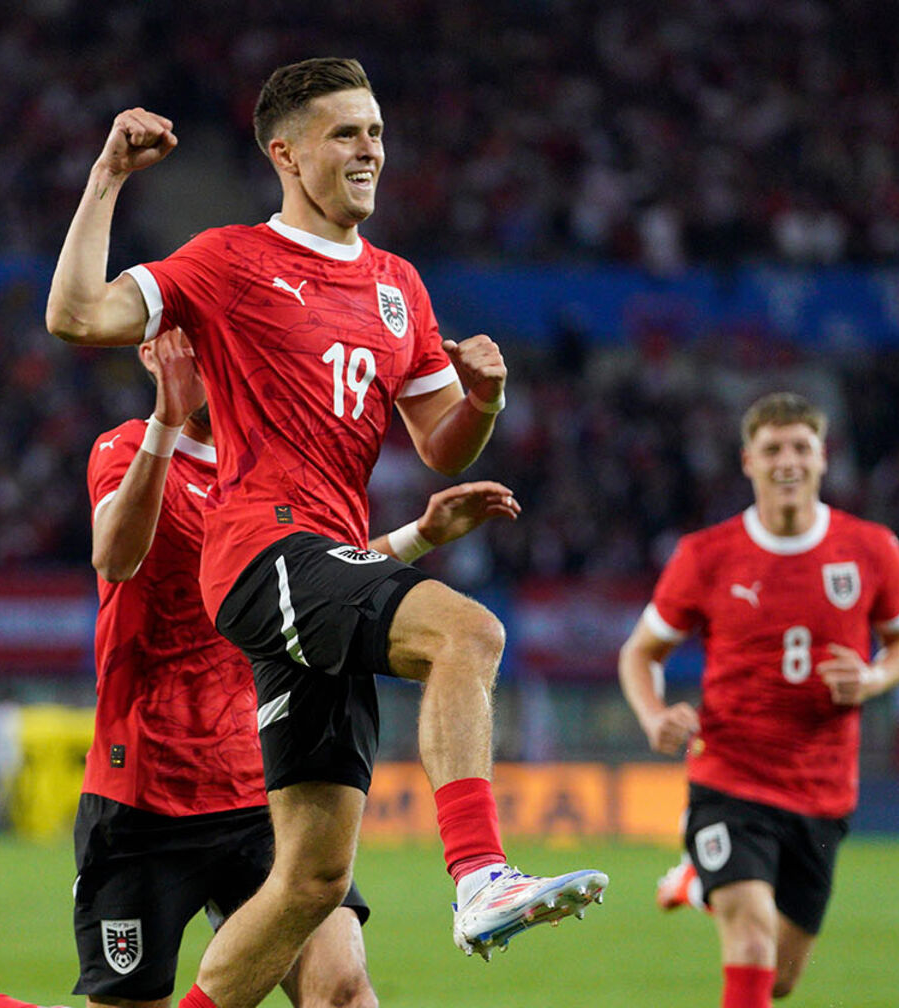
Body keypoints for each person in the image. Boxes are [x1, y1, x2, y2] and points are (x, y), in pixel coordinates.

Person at [38, 56, 606, 1008]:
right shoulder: (226, 260)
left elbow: (438, 443)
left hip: (325, 561)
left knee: (312, 883)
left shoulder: (397, 287)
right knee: (470, 633)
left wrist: (489, 399)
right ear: (286, 154)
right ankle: (479, 876)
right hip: (264, 548)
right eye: (347, 133)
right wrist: (106, 177)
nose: (370, 150)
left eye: (377, 132)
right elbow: (75, 315)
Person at [0, 328, 524, 1008]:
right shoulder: (124, 448)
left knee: (343, 994)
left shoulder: (273, 465)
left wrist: (418, 536)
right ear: (154, 356)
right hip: (147, 794)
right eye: (194, 343)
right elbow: (115, 558)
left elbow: (302, 584)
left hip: (262, 786)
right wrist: (165, 418)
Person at [617, 392, 899, 1008]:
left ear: (822, 458)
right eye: (773, 449)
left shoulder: (872, 549)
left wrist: (870, 680)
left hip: (823, 789)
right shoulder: (705, 556)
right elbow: (638, 653)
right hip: (730, 777)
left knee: (780, 980)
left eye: (801, 448)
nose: (788, 461)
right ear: (748, 462)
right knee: (752, 940)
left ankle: (700, 883)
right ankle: (712, 873)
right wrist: (654, 717)